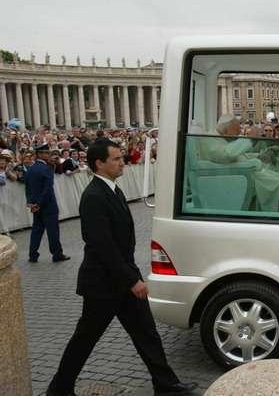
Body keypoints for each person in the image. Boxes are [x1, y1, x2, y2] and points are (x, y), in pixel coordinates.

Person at [46, 140, 197, 396]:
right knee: (84, 339)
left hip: (122, 280)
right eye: (116, 159)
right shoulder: (94, 196)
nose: (122, 162)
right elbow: (103, 246)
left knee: (146, 334)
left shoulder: (112, 190)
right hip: (103, 285)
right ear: (99, 164)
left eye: (121, 157)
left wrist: (130, 277)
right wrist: (132, 280)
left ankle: (165, 384)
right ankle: (60, 388)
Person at [24, 144, 69, 263]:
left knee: (36, 230)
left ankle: (33, 255)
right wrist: (38, 203)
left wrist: (31, 203)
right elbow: (47, 189)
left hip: (36, 206)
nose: (49, 155)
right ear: (39, 154)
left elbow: (27, 188)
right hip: (48, 205)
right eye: (46, 153)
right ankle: (57, 254)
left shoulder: (30, 169)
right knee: (52, 231)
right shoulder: (46, 169)